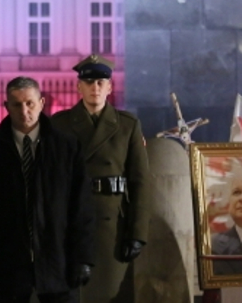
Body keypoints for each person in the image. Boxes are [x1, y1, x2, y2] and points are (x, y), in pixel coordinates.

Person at [0, 76, 94, 303]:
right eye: (16, 104)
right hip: (8, 262)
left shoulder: (67, 147)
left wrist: (83, 258)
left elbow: (80, 207)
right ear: (6, 107)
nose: (24, 111)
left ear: (42, 103)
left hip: (58, 259)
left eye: (30, 103)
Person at [51, 55, 150, 303]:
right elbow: (51, 182)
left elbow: (140, 182)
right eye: (89, 82)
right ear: (78, 86)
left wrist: (137, 232)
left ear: (109, 87)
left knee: (111, 295)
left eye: (100, 83)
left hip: (113, 225)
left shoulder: (127, 125)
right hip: (72, 222)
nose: (95, 88)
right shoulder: (59, 124)